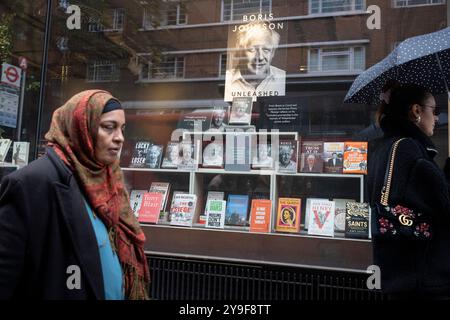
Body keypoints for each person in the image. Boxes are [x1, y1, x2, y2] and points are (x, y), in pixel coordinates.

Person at [0, 90, 149, 299]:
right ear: (81, 127)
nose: (120, 138)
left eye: (122, 128)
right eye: (108, 127)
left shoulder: (108, 179)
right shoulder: (32, 183)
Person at [367, 83, 450, 299]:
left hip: (395, 274)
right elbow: (444, 206)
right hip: (425, 278)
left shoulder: (382, 147)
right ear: (416, 111)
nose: (437, 118)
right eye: (434, 110)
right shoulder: (410, 149)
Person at [224, 21, 286, 101]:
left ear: (273, 53)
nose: (260, 57)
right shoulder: (226, 80)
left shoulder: (283, 78)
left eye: (266, 50)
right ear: (240, 51)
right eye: (252, 49)